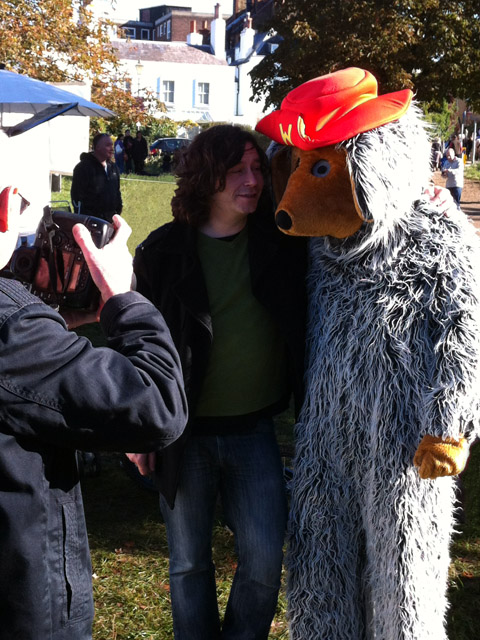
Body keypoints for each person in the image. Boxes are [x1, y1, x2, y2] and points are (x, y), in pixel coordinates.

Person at [128, 125, 307, 639]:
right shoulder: (162, 253)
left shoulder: (282, 241)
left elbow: (345, 227)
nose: (253, 181)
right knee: (188, 563)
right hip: (183, 434)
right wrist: (140, 432)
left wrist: (421, 204)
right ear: (207, 178)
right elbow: (135, 347)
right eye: (236, 171)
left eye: (256, 169)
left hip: (254, 431)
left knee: (264, 560)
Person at [0, 182, 188, 639]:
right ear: (7, 205)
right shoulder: (11, 330)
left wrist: (52, 330)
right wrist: (123, 299)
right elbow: (156, 405)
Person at [71, 133, 122, 222]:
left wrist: (117, 212)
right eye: (108, 145)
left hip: (111, 221)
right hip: (90, 222)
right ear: (97, 147)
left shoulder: (113, 168)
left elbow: (117, 192)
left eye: (112, 145)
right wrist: (88, 219)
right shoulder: (83, 168)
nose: (112, 148)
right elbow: (77, 197)